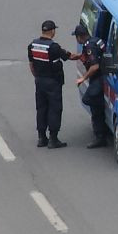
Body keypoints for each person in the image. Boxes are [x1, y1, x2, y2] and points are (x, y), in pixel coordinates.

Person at [28, 20, 75, 149]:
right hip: (53, 82)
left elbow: (31, 65)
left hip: (39, 81)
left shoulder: (32, 45)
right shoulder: (53, 47)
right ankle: (53, 139)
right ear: (52, 31)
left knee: (41, 108)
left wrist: (38, 77)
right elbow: (67, 56)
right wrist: (79, 56)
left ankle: (41, 138)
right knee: (54, 109)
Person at [73, 23, 110, 149]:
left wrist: (83, 78)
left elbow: (95, 66)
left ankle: (100, 136)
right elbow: (91, 56)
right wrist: (76, 56)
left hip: (99, 77)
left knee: (89, 100)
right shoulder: (95, 40)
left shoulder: (89, 46)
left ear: (79, 37)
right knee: (95, 102)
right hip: (104, 76)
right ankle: (101, 129)